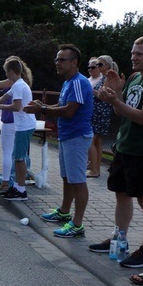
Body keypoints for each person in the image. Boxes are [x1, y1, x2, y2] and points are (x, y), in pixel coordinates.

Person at [90, 34, 143, 274]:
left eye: (139, 54)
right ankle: (120, 239)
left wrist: (115, 101)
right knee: (121, 194)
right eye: (132, 53)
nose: (133, 57)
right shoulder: (136, 78)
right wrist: (114, 96)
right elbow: (123, 114)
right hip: (125, 146)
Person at [27, 44, 93, 237]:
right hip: (68, 136)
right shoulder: (68, 82)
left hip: (77, 136)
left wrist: (43, 110)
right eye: (57, 59)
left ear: (74, 62)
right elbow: (62, 104)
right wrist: (44, 105)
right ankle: (64, 212)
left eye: (62, 59)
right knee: (67, 177)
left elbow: (70, 110)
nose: (57, 63)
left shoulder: (79, 82)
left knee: (78, 181)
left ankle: (77, 224)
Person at [0, 57, 35, 201]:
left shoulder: (19, 86)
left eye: (7, 72)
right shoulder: (18, 84)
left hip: (24, 126)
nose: (6, 75)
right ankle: (17, 187)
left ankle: (21, 190)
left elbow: (17, 107)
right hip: (22, 125)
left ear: (12, 72)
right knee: (17, 158)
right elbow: (6, 95)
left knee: (19, 158)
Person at [87, 55, 118, 178]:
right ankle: (96, 167)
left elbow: (103, 95)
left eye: (100, 64)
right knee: (98, 141)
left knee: (91, 141)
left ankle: (94, 170)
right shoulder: (105, 78)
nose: (97, 67)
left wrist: (89, 90)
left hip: (99, 111)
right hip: (100, 111)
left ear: (107, 66)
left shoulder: (107, 78)